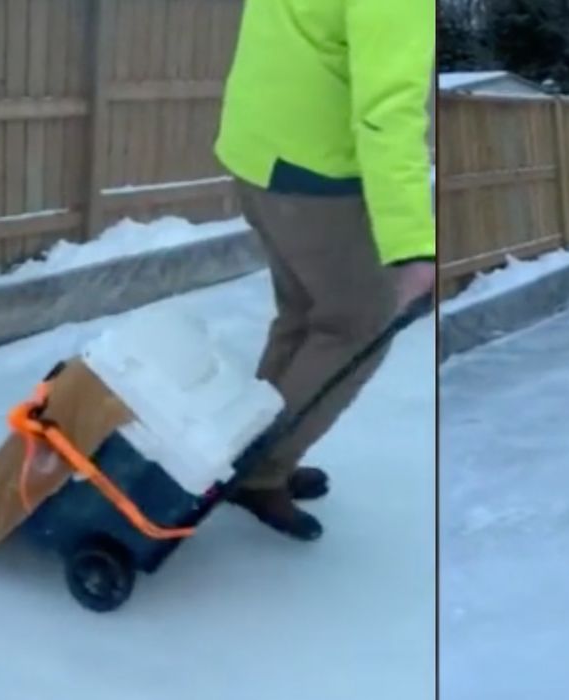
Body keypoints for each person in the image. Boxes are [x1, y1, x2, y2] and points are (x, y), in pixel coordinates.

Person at [212, 0, 435, 541]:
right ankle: (260, 472)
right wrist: (412, 247)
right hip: (313, 176)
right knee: (358, 325)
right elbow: (387, 113)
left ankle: (246, 453)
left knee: (303, 315)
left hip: (261, 152)